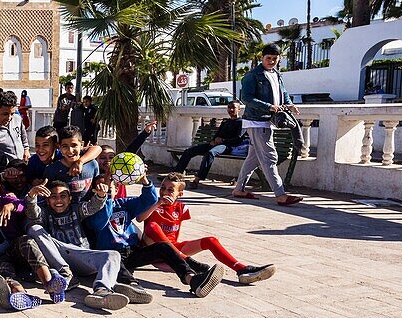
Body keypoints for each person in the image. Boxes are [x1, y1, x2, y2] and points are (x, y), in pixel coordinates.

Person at [87, 172, 224, 298]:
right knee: (114, 261)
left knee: (163, 247)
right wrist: (103, 198)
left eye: (110, 186)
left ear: (117, 189)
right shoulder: (91, 211)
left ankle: (192, 279)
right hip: (112, 254)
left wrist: (145, 180)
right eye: (102, 187)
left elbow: (148, 200)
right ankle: (131, 286)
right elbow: (101, 220)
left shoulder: (123, 204)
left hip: (132, 252)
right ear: (94, 191)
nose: (107, 188)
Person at [145, 174, 276, 284]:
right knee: (153, 226)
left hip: (175, 250)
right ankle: (187, 261)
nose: (165, 192)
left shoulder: (182, 208)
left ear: (179, 194)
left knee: (210, 240)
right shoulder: (153, 203)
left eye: (170, 190)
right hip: (154, 250)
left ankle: (241, 269)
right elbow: (143, 222)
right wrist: (157, 203)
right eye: (163, 188)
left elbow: (175, 232)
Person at [24, 181, 134, 310]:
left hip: (81, 256)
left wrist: (101, 195)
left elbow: (93, 206)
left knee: (113, 255)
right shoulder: (45, 213)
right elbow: (32, 213)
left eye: (63, 196)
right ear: (48, 200)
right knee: (34, 228)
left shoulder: (77, 209)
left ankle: (102, 290)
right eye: (53, 197)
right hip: (60, 255)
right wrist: (32, 195)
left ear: (70, 199)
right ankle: (65, 274)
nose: (58, 200)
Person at [234, 44, 303, 205]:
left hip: (267, 121)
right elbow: (246, 98)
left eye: (274, 59)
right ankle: (280, 194)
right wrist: (269, 106)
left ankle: (238, 189)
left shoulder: (277, 75)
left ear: (279, 59)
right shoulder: (252, 76)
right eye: (268, 58)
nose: (271, 61)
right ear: (262, 58)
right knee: (270, 157)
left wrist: (290, 104)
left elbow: (283, 93)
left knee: (253, 158)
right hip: (257, 121)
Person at [0, 169, 46, 311]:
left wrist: (10, 206)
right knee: (4, 268)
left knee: (27, 242)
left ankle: (50, 283)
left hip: (14, 248)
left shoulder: (5, 199)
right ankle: (19, 293)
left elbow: (23, 204)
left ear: (1, 185)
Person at [174, 101, 246, 188]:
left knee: (210, 153)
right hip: (216, 144)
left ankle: (197, 179)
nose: (231, 110)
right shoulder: (225, 122)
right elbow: (217, 134)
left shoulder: (241, 122)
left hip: (228, 146)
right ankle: (176, 175)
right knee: (189, 151)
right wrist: (213, 140)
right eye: (229, 107)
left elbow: (238, 139)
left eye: (233, 108)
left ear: (238, 109)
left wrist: (223, 140)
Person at [42, 126, 100, 202]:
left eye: (74, 145)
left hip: (89, 210)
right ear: (59, 147)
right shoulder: (52, 170)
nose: (70, 151)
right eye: (65, 146)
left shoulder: (92, 164)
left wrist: (80, 162)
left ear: (81, 145)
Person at [0, 90, 31, 170]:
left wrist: (26, 150)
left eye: (12, 114)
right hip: (5, 173)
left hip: (22, 167)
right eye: (5, 114)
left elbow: (23, 137)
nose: (9, 118)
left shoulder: (17, 119)